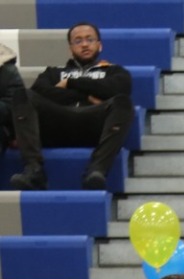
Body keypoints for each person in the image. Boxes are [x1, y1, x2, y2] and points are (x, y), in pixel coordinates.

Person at [5, 22, 133, 191]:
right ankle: (34, 170)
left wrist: (70, 82)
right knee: (23, 95)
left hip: (94, 125)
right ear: (70, 48)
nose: (85, 44)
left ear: (99, 45)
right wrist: (87, 95)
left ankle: (96, 171)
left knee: (122, 102)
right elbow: (41, 91)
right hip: (57, 123)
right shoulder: (53, 72)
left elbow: (118, 89)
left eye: (90, 39)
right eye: (78, 41)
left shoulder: (114, 71)